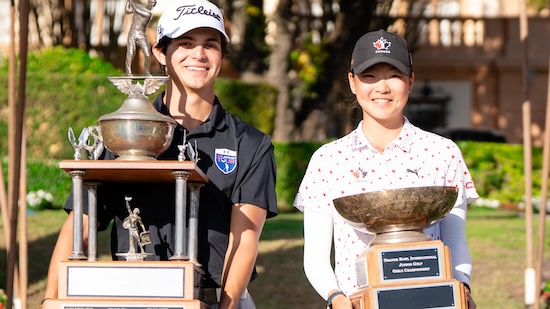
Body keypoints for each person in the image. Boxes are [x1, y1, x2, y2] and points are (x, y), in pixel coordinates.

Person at [43, 1, 278, 308]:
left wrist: (226, 306)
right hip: (131, 296)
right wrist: (51, 300)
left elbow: (244, 239)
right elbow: (81, 225)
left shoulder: (250, 143)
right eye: (185, 43)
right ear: (160, 54)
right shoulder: (123, 133)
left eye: (210, 44)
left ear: (223, 54)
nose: (199, 55)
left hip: (218, 298)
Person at [293, 30, 478, 309]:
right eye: (369, 76)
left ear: (411, 81)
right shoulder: (328, 160)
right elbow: (316, 256)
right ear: (352, 82)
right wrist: (336, 297)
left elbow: (455, 240)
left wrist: (461, 286)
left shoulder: (443, 152)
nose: (382, 88)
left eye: (394, 75)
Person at [124, 0, 156, 76]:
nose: (151, 6)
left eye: (153, 5)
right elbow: (128, 11)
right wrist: (128, 3)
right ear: (148, 2)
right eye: (151, 3)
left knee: (147, 53)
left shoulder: (148, 14)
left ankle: (146, 72)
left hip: (141, 34)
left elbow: (137, 9)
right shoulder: (140, 6)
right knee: (131, 52)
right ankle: (128, 73)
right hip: (133, 33)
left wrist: (131, 1)